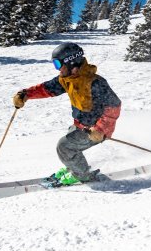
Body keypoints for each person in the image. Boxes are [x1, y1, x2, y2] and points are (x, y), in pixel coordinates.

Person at [13, 42, 121, 185]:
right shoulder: (67, 80)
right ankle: (74, 167)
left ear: (71, 64)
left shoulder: (95, 83)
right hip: (80, 125)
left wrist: (100, 129)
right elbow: (47, 88)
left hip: (97, 130)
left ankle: (82, 175)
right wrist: (26, 94)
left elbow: (114, 106)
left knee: (64, 147)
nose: (58, 70)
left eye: (58, 64)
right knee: (69, 145)